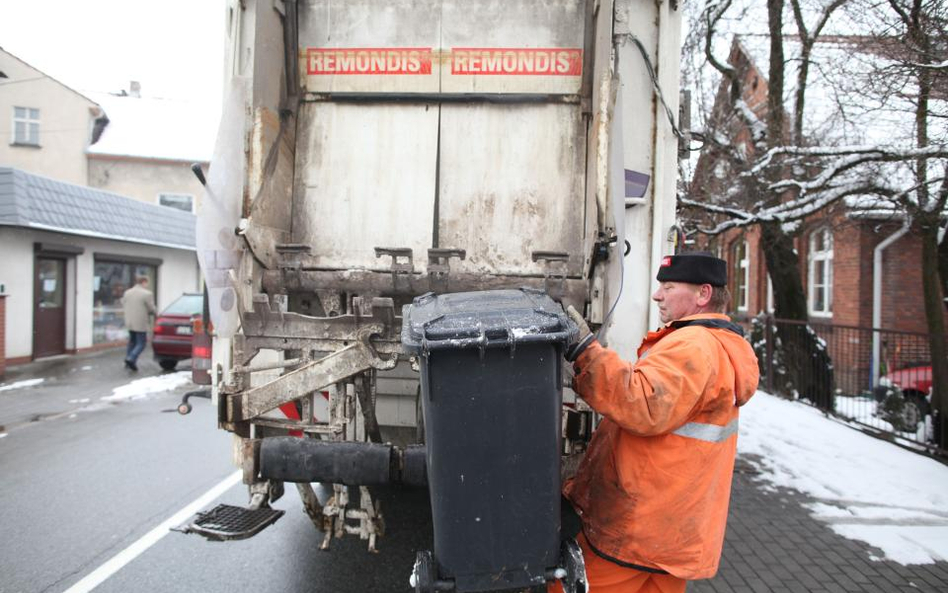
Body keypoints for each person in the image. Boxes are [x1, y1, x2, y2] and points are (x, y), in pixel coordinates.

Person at [555, 252, 759, 593]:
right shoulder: (717, 345)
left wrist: (584, 350)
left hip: (639, 527)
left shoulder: (695, 346)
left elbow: (642, 403)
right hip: (673, 531)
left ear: (703, 294)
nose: (657, 295)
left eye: (669, 286)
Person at [121, 276, 156, 371]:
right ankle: (131, 358)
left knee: (132, 342)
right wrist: (155, 312)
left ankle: (128, 360)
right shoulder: (147, 294)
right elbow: (151, 308)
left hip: (130, 322)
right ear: (144, 282)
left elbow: (123, 303)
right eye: (147, 283)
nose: (147, 285)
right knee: (141, 343)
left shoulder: (127, 292)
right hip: (140, 322)